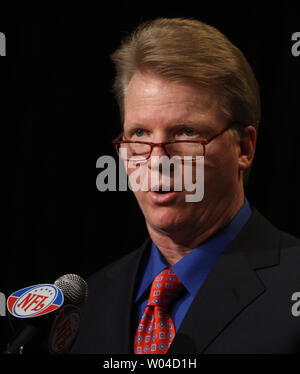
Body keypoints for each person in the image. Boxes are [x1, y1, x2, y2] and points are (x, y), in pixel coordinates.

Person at [71, 17, 300, 354]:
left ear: (244, 148)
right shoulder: (88, 306)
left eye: (186, 133)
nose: (157, 160)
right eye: (139, 134)